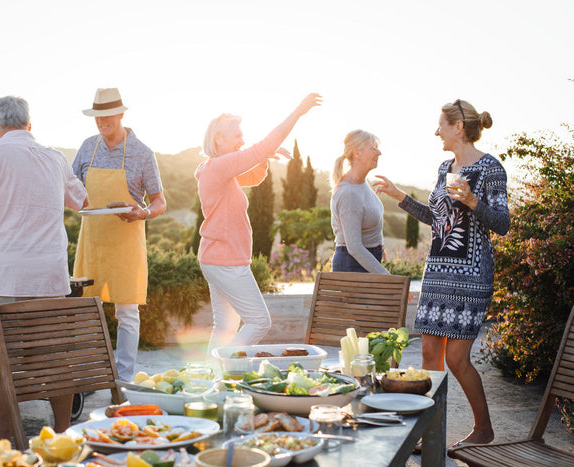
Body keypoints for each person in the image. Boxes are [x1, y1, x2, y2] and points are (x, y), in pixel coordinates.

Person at [0, 96, 89, 441]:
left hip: (4, 279)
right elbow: (82, 201)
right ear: (29, 124)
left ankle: (7, 449)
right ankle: (63, 438)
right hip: (51, 279)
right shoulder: (54, 156)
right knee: (56, 362)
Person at [374, 99, 509, 447]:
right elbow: (436, 220)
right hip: (437, 272)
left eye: (441, 126)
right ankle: (428, 434)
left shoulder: (491, 169)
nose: (437, 132)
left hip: (471, 274)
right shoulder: (443, 168)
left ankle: (483, 429)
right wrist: (398, 195)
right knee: (430, 353)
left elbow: (503, 223)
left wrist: (472, 202)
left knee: (457, 358)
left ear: (458, 128)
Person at [197, 93, 322, 356]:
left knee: (224, 328)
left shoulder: (218, 169)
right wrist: (298, 111)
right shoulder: (219, 166)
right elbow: (260, 147)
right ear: (219, 139)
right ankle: (226, 364)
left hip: (217, 258)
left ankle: (210, 379)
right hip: (226, 261)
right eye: (237, 136)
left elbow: (252, 175)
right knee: (259, 321)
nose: (242, 140)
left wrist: (264, 156)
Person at [72, 88, 166, 382]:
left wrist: (143, 212)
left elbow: (159, 202)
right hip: (92, 241)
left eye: (107, 115)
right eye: (97, 116)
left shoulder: (142, 152)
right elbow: (71, 189)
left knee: (127, 312)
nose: (102, 121)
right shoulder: (87, 147)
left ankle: (124, 379)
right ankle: (88, 376)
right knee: (86, 310)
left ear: (121, 114)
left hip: (126, 241)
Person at [330, 130, 388, 274]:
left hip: (363, 261)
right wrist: (387, 278)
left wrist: (377, 247)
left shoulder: (360, 183)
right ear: (357, 153)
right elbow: (354, 247)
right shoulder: (349, 193)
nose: (379, 152)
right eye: (373, 148)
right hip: (352, 266)